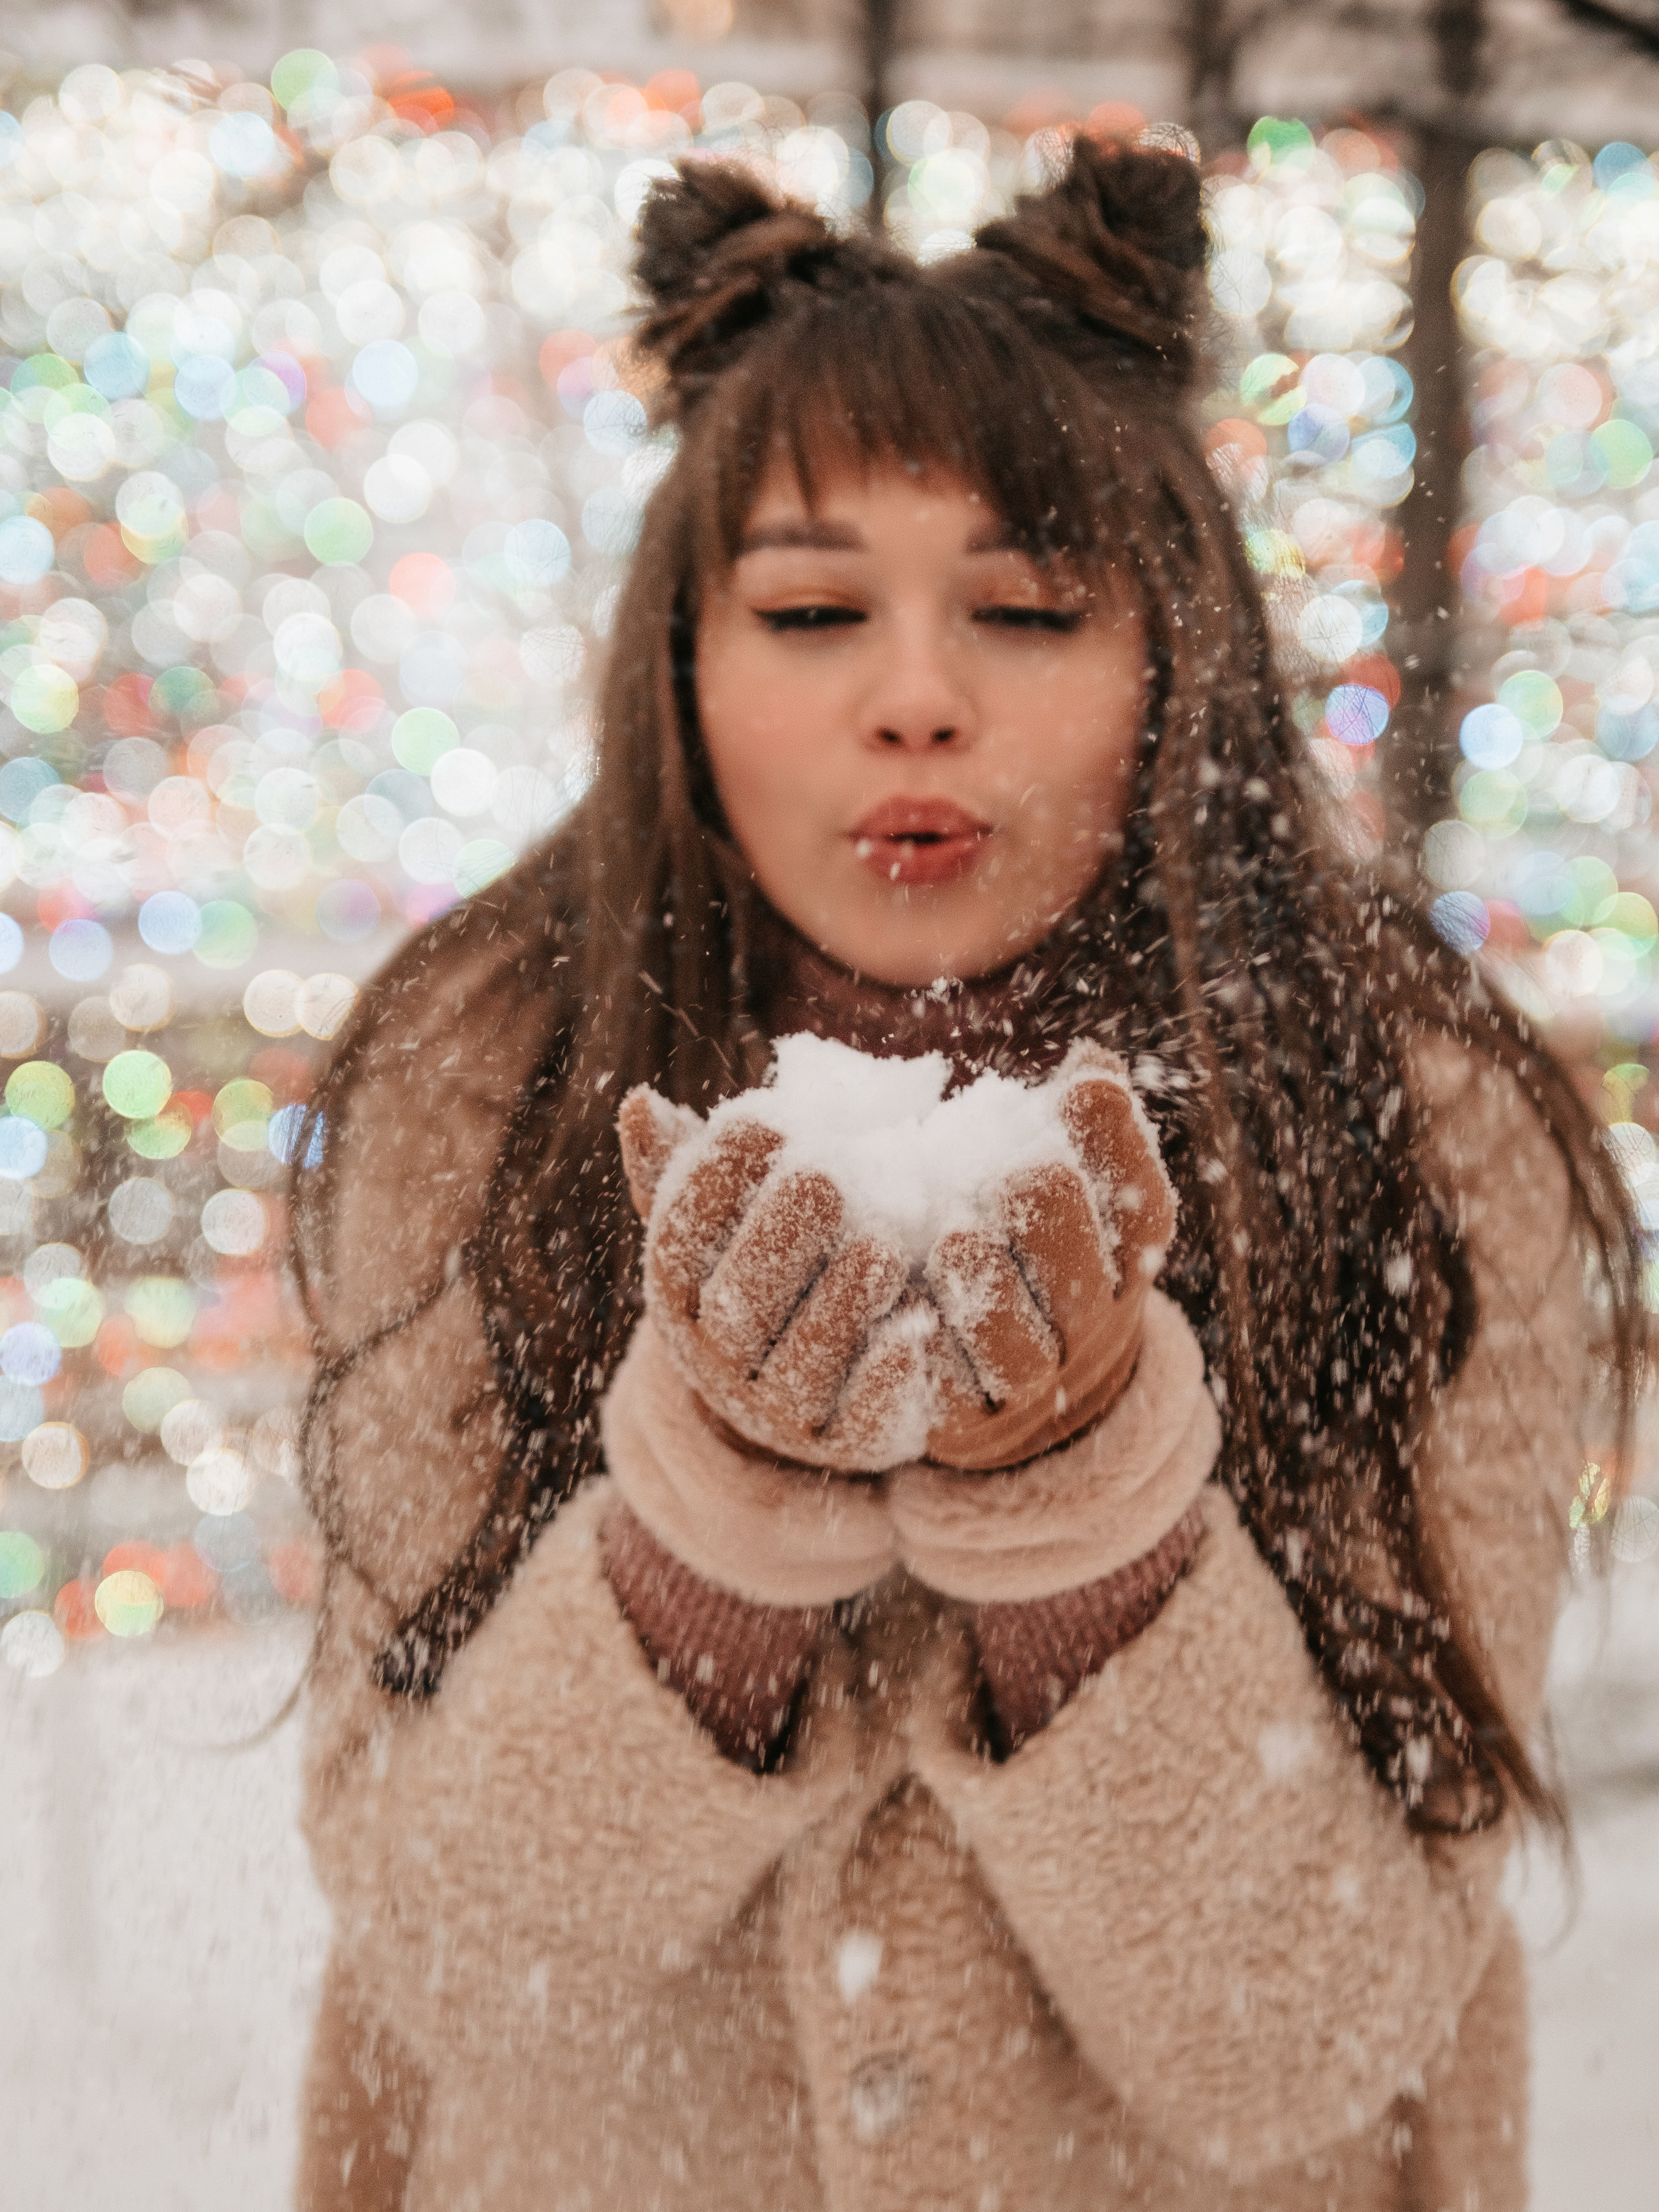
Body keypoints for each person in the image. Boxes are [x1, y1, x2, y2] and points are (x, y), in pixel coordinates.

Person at [290, 138, 1642, 2211]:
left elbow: (1312, 2022)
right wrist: (709, 1530)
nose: (916, 698)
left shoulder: (1417, 1125)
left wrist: (1086, 1511)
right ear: (681, 666)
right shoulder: (492, 1089)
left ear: (1176, 654)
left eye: (1026, 606)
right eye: (815, 608)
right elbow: (462, 1962)